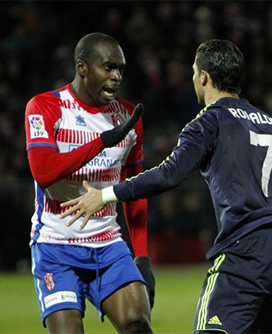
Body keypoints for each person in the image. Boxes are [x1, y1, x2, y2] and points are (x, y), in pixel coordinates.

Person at [60, 39, 272, 333]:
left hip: (246, 251)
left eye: (193, 72)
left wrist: (107, 194)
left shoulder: (208, 121)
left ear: (203, 77)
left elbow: (168, 174)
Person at [25, 32, 154, 333]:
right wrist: (103, 141)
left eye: (120, 69)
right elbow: (43, 172)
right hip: (56, 247)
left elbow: (134, 190)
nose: (116, 76)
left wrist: (143, 255)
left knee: (138, 324)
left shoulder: (128, 117)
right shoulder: (45, 107)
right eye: (108, 68)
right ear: (82, 67)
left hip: (108, 244)